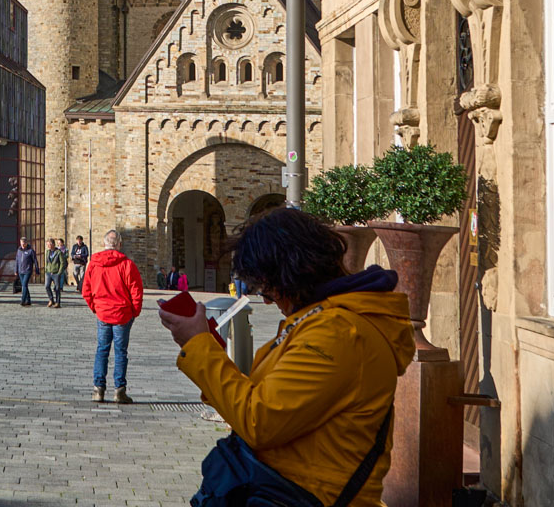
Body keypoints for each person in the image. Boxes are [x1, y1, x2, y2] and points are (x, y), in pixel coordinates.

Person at [159, 207, 414, 507]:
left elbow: (260, 420)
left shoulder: (336, 332)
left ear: (291, 275)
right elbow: (270, 402)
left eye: (268, 289)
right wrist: (207, 346)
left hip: (306, 495)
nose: (269, 301)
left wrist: (199, 346)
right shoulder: (323, 323)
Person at [83, 229, 144, 404]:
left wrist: (95, 307)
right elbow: (136, 290)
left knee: (102, 350)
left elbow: (86, 290)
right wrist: (134, 312)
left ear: (104, 244)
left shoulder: (94, 264)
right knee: (120, 352)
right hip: (122, 314)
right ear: (119, 245)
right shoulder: (127, 265)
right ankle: (119, 390)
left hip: (103, 312)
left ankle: (98, 389)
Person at [15, 237, 39, 307]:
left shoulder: (30, 251)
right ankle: (28, 300)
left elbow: (35, 261)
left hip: (27, 270)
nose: (22, 245)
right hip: (20, 271)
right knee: (24, 285)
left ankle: (23, 300)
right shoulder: (19, 250)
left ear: (26, 243)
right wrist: (16, 270)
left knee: (24, 285)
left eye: (24, 243)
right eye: (21, 243)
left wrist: (37, 270)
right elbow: (17, 261)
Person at [45, 238, 64, 308]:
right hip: (48, 272)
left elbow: (62, 263)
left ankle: (58, 302)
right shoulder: (47, 252)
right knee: (47, 286)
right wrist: (46, 269)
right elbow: (46, 262)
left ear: (53, 244)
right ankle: (51, 300)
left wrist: (59, 272)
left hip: (56, 273)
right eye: (47, 245)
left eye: (49, 245)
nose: (48, 246)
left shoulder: (58, 252)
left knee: (57, 288)